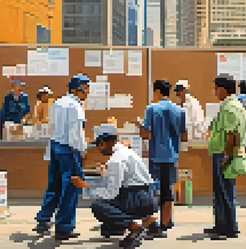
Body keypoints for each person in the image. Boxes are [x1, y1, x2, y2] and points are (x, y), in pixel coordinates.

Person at [34, 74, 91, 241]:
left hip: (54, 146)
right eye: (85, 88)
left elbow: (52, 127)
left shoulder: (57, 103)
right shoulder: (75, 106)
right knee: (71, 188)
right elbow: (76, 132)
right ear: (77, 88)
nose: (87, 91)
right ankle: (63, 227)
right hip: (69, 150)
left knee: (54, 185)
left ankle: (44, 219)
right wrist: (82, 149)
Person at [89, 126, 159, 249]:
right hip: (149, 198)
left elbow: (112, 193)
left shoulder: (115, 160)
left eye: (99, 146)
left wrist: (93, 190)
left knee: (98, 206)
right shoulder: (128, 152)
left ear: (102, 143)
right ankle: (151, 223)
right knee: (107, 229)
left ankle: (135, 228)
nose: (100, 150)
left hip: (137, 200)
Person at [204, 74, 246, 240]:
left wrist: (227, 157)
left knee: (225, 192)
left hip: (224, 154)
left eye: (216, 88)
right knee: (221, 191)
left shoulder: (230, 108)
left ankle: (229, 228)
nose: (215, 92)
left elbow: (232, 135)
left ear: (223, 89)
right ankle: (221, 225)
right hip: (222, 153)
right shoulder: (231, 105)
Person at [137, 79, 186, 234]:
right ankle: (167, 221)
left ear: (157, 91)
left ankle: (152, 222)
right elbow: (184, 136)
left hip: (156, 155)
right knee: (168, 188)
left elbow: (145, 134)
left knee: (152, 190)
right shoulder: (179, 110)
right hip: (172, 156)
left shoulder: (151, 109)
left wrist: (139, 126)